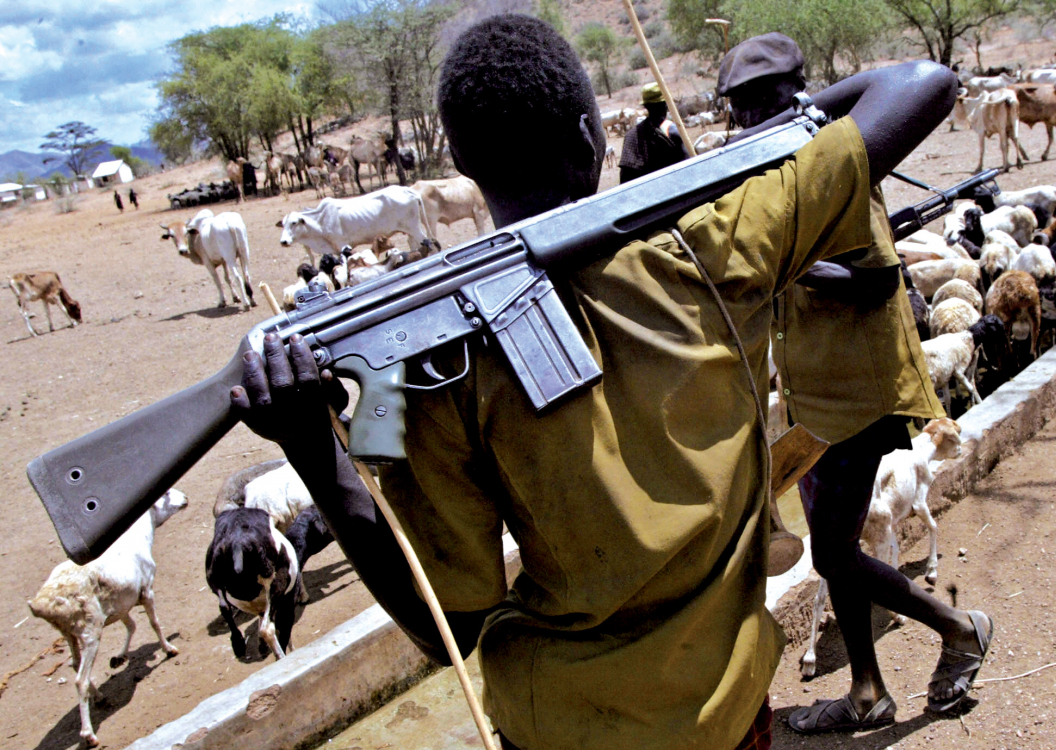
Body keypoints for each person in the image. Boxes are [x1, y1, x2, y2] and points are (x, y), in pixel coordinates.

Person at [229, 14, 964, 750]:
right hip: (723, 715)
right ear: (593, 136)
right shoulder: (709, 241)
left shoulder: (429, 371)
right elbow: (920, 84)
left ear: (462, 163)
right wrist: (748, 153)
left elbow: (444, 624)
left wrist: (317, 449)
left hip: (554, 726)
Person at [717, 33, 992, 734]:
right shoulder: (781, 179)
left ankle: (960, 628)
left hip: (858, 395)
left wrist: (785, 264)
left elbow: (875, 281)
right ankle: (867, 690)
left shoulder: (835, 169)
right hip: (817, 397)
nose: (753, 122)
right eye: (741, 110)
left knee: (834, 549)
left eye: (767, 104)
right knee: (829, 541)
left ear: (797, 97)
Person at [618, 82, 688, 183]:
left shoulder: (631, 135)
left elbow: (625, 177)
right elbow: (689, 165)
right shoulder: (673, 130)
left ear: (646, 106)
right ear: (666, 105)